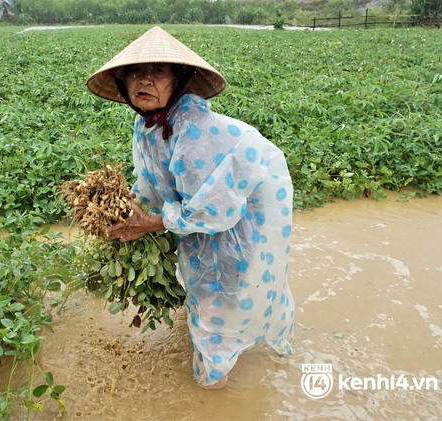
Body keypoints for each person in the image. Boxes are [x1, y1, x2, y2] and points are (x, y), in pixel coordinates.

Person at [87, 26, 294, 389]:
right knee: (201, 285)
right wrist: (126, 207)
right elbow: (151, 179)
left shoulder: (193, 128)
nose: (145, 81)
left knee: (223, 287)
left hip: (242, 209)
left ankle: (212, 386)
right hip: (208, 208)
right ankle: (220, 337)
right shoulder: (146, 123)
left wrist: (149, 223)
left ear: (179, 79)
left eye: (159, 72)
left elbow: (210, 211)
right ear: (122, 83)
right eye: (136, 72)